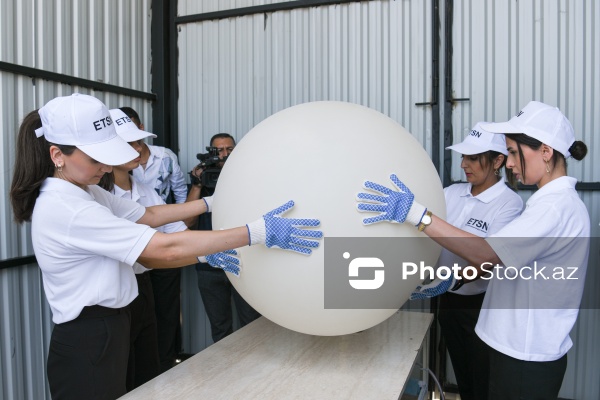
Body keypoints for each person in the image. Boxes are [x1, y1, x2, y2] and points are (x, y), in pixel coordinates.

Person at [9, 93, 322, 400]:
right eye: (96, 158)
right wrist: (255, 232)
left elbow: (151, 214)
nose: (106, 166)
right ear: (57, 155)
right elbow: (163, 247)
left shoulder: (85, 192)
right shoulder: (67, 207)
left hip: (112, 325)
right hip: (88, 338)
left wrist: (214, 201)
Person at [357, 100, 589, 400]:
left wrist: (417, 214)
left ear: (546, 151)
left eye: (515, 153)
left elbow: (487, 254)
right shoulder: (547, 203)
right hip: (513, 346)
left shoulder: (555, 208)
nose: (509, 163)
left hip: (525, 354)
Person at [418, 122, 523, 400]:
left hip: (481, 308)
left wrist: (455, 278)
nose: (464, 164)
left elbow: (492, 258)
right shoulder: (451, 193)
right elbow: (428, 235)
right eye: (463, 156)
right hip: (448, 302)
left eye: (473, 158)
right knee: (464, 378)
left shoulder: (508, 204)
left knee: (483, 382)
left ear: (498, 160)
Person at [121, 106, 189, 371]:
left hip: (152, 266)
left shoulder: (147, 188)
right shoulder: (101, 193)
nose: (137, 148)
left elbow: (171, 219)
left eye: (138, 139)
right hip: (126, 279)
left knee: (161, 317)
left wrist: (208, 204)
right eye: (129, 142)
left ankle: (165, 368)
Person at [188, 133, 261, 343]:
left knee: (252, 322)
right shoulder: (202, 179)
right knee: (220, 328)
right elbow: (188, 223)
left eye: (229, 149)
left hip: (243, 261)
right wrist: (196, 184)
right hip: (208, 264)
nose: (224, 155)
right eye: (218, 150)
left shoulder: (248, 177)